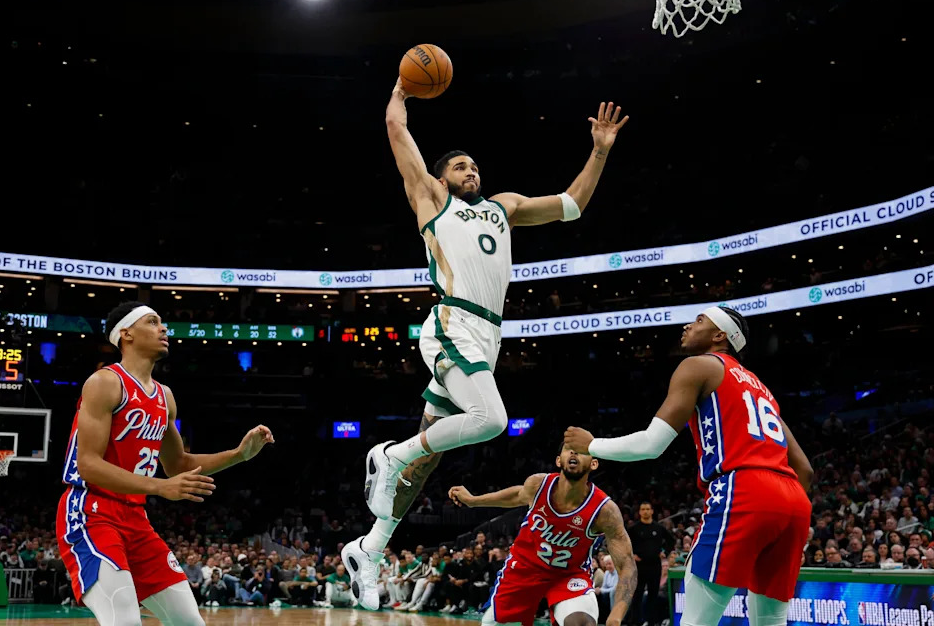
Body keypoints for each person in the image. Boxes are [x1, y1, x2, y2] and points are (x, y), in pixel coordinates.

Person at [343, 77, 630, 610]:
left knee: (427, 462)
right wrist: (402, 93)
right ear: (442, 177)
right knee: (491, 421)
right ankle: (388, 454)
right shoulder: (432, 200)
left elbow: (572, 205)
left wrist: (598, 151)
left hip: (488, 336)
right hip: (452, 323)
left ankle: (370, 546)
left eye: (474, 166)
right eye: (460, 166)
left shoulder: (505, 207)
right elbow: (395, 129)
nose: (470, 171)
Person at [565, 307, 814, 626]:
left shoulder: (699, 366)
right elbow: (804, 469)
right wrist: (779, 513)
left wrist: (592, 444)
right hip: (793, 502)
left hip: (745, 488)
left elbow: (651, 444)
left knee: (697, 620)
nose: (687, 325)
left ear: (719, 335)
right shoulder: (761, 388)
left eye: (699, 321)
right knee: (771, 621)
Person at [55, 302, 275, 626]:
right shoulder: (105, 383)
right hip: (91, 513)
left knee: (190, 621)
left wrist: (239, 454)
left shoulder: (164, 397)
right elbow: (87, 464)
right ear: (126, 334)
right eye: (153, 321)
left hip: (136, 520)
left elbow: (178, 464)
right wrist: (160, 487)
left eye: (162, 323)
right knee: (125, 620)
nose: (164, 328)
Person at [446, 440, 637, 626]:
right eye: (569, 449)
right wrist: (474, 500)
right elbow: (517, 495)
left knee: (582, 623)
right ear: (558, 461)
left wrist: (616, 617)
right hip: (523, 569)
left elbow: (627, 564)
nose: (574, 453)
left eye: (581, 450)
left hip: (569, 575)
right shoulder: (538, 485)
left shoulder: (605, 511)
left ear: (594, 463)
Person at [626, 501, 672, 626]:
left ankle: (652, 622)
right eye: (643, 509)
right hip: (639, 567)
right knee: (637, 596)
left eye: (648, 509)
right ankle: (635, 622)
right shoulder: (634, 529)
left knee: (653, 595)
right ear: (639, 512)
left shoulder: (658, 528)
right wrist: (631, 555)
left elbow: (671, 540)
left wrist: (665, 552)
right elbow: (623, 542)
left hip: (655, 566)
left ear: (652, 511)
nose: (645, 511)